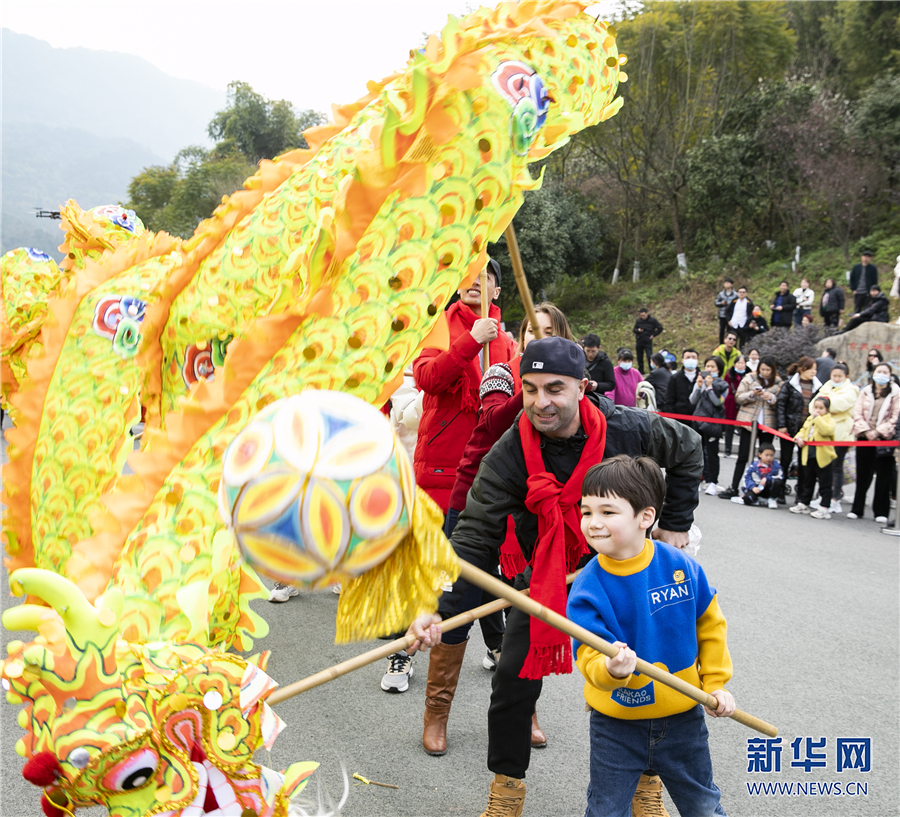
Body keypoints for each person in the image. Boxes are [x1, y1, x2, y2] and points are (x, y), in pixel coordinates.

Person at [431, 336, 703, 817]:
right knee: (512, 683)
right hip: (547, 578)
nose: (541, 402)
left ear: (583, 385)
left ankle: (646, 782)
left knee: (646, 676)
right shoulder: (512, 450)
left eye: (555, 388)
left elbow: (688, 448)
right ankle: (506, 791)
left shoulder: (628, 428)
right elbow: (473, 538)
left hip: (623, 575)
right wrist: (438, 610)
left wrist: (676, 524)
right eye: (531, 389)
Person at [422, 302, 574, 756]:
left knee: (525, 615)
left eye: (548, 331)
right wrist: (537, 393)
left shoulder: (566, 390)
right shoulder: (503, 374)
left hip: (528, 521)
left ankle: (522, 708)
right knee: (456, 608)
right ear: (519, 336)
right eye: (531, 330)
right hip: (477, 508)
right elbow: (492, 421)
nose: (536, 338)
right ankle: (436, 712)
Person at [568, 455, 733, 817]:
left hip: (683, 716)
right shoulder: (587, 587)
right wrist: (611, 669)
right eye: (586, 512)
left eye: (608, 512)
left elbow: (710, 625)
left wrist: (716, 683)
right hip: (616, 724)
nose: (593, 523)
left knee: (704, 806)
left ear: (645, 517)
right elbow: (587, 655)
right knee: (606, 811)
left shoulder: (681, 566)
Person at [384, 258, 516, 692]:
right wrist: (469, 343)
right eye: (468, 276)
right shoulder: (440, 326)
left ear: (498, 290)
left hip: (491, 469)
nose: (476, 283)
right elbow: (426, 378)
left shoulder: (508, 341)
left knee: (482, 565)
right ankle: (402, 654)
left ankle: (496, 642)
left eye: (486, 277)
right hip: (441, 466)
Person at [719, 357, 782, 500]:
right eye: (763, 369)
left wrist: (771, 397)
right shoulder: (749, 378)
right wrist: (752, 394)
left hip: (768, 424)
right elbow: (738, 397)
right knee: (743, 456)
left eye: (768, 370)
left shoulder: (778, 383)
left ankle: (765, 491)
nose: (765, 373)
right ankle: (734, 486)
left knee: (766, 458)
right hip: (748, 422)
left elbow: (780, 403)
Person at [848, 363, 900, 523]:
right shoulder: (865, 391)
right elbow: (857, 413)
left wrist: (879, 432)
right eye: (879, 371)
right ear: (873, 373)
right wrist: (867, 431)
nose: (881, 374)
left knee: (883, 476)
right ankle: (857, 509)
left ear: (890, 375)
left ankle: (881, 511)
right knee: (863, 474)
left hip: (885, 439)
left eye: (885, 372)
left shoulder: (896, 393)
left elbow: (895, 417)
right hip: (865, 437)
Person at [812, 363, 858, 513]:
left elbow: (838, 405)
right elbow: (814, 405)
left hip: (841, 434)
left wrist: (824, 404)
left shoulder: (851, 390)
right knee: (824, 467)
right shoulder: (826, 386)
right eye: (834, 376)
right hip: (823, 433)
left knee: (837, 467)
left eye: (839, 376)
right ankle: (824, 495)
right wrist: (823, 405)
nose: (836, 379)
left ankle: (834, 498)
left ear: (846, 377)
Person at [776, 356, 822, 504]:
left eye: (815, 369)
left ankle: (801, 495)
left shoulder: (818, 387)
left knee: (805, 464)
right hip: (790, 428)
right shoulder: (790, 385)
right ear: (803, 369)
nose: (814, 372)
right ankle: (780, 491)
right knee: (785, 460)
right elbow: (781, 405)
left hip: (808, 431)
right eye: (811, 368)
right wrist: (782, 425)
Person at [788, 396, 837, 519]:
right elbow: (803, 430)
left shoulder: (829, 420)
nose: (817, 410)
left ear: (827, 409)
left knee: (825, 483)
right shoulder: (809, 419)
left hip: (823, 457)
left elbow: (827, 431)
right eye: (816, 407)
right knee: (807, 481)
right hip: (808, 455)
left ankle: (825, 507)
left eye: (821, 408)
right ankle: (804, 503)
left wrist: (818, 418)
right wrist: (798, 438)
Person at [691, 357, 728, 496]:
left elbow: (718, 402)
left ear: (718, 369)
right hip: (698, 422)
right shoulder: (700, 381)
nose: (709, 369)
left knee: (712, 453)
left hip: (713, 423)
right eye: (707, 366)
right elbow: (693, 400)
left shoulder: (723, 385)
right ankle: (699, 478)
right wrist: (699, 386)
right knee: (697, 452)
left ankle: (712, 481)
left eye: (712, 366)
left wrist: (710, 387)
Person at [732, 444, 784, 508]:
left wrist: (766, 479)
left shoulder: (776, 466)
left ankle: (771, 499)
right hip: (756, 488)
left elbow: (780, 477)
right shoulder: (753, 466)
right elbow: (747, 478)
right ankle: (758, 499)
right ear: (760, 455)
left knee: (777, 482)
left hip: (768, 488)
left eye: (771, 455)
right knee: (747, 499)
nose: (769, 458)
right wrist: (753, 487)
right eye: (766, 455)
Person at [722, 355, 748, 458]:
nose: (741, 365)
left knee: (743, 428)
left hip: (744, 402)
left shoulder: (749, 375)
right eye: (739, 363)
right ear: (735, 364)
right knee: (729, 427)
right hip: (731, 402)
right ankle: (728, 449)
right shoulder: (729, 375)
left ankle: (743, 450)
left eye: (743, 363)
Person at [666, 349, 700, 422]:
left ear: (697, 360)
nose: (691, 359)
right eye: (687, 357)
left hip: (699, 418)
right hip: (680, 418)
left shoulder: (702, 378)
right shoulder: (674, 378)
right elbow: (669, 400)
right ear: (682, 360)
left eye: (693, 357)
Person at [632, 307, 664, 373]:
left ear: (647, 313)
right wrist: (638, 330)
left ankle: (652, 370)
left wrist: (654, 334)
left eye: (643, 315)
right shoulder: (638, 320)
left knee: (649, 355)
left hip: (647, 340)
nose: (642, 317)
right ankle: (641, 371)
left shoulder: (652, 320)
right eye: (641, 315)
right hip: (639, 339)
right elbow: (634, 329)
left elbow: (660, 328)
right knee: (639, 356)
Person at [715, 278, 739, 344]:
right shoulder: (721, 294)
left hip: (731, 315)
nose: (726, 284)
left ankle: (730, 343)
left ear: (731, 284)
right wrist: (721, 303)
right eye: (725, 283)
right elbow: (716, 303)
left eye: (728, 283)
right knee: (721, 330)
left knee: (730, 330)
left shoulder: (735, 294)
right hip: (722, 314)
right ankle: (721, 344)